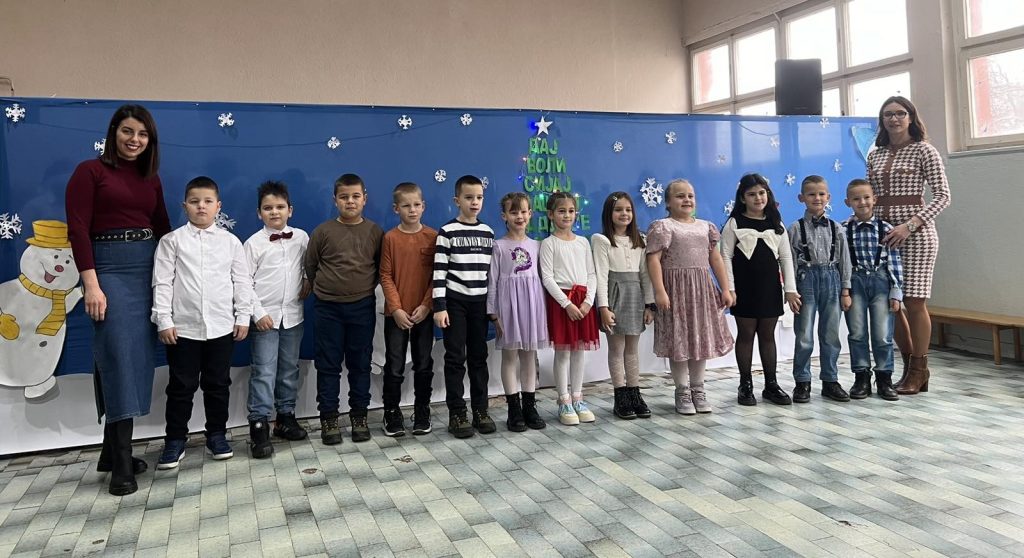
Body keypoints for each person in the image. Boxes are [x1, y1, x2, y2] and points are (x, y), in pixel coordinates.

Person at [65, 104, 171, 496]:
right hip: (107, 269)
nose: (134, 140)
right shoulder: (89, 172)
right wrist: (91, 285)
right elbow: (78, 229)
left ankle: (110, 452)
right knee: (119, 357)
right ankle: (122, 463)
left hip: (147, 269)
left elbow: (163, 228)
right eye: (128, 131)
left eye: (142, 134)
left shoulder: (151, 178)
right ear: (113, 132)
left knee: (134, 359)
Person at [153, 177, 253, 469]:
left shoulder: (230, 242)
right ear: (184, 205)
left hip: (221, 326)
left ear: (218, 206)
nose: (201, 207)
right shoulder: (171, 241)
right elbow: (162, 282)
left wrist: (243, 315)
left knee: (218, 384)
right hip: (183, 328)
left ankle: (217, 435)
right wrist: (163, 319)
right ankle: (175, 440)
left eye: (208, 202)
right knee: (181, 386)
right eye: (194, 202)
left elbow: (241, 281)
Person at [867, 96, 951, 395]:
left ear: (911, 117)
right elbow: (869, 195)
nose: (894, 119)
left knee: (914, 301)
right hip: (883, 237)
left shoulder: (924, 150)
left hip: (917, 236)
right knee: (891, 303)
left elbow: (943, 196)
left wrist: (910, 225)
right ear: (882, 120)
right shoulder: (875, 154)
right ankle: (906, 367)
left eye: (900, 113)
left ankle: (920, 369)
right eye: (888, 114)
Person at [305, 173, 383, 445]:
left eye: (355, 196)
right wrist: (327, 290)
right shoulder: (323, 232)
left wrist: (360, 290)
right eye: (344, 197)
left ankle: (359, 417)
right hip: (327, 309)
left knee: (360, 364)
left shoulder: (375, 232)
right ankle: (329, 419)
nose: (350, 201)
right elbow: (311, 266)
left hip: (362, 307)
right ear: (335, 200)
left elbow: (379, 268)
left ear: (365, 199)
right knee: (328, 366)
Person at [646, 180, 734, 415]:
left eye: (690, 196)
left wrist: (725, 288)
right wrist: (659, 291)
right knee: (679, 341)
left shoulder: (706, 227)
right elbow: (653, 260)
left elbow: (715, 259)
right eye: (680, 196)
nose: (686, 200)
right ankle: (682, 390)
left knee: (699, 340)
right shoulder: (663, 227)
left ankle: (698, 388)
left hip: (701, 291)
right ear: (668, 202)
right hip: (675, 292)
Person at [242, 181, 310, 459]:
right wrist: (257, 313)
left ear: (290, 210)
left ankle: (285, 417)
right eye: (268, 208)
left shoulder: (302, 237)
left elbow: (308, 265)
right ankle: (259, 424)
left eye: (280, 207)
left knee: (289, 369)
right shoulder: (253, 244)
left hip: (293, 315)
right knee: (264, 371)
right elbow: (243, 283)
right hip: (265, 318)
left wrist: (307, 279)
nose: (274, 212)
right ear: (259, 213)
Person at [721, 173, 799, 407]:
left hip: (770, 287)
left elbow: (786, 257)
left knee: (767, 335)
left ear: (768, 194)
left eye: (762, 193)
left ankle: (771, 384)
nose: (758, 198)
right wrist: (730, 288)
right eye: (752, 194)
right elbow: (725, 256)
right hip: (744, 288)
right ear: (742, 198)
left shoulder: (777, 224)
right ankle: (745, 384)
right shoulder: (734, 223)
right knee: (746, 334)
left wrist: (790, 289)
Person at [433, 175, 495, 438]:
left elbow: (491, 274)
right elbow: (439, 272)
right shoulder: (447, 232)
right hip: (455, 302)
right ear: (457, 200)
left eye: (479, 197)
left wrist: (492, 307)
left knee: (479, 358)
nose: (474, 202)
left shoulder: (488, 232)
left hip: (480, 304)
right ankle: (457, 413)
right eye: (469, 197)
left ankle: (481, 410)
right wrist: (440, 306)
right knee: (455, 358)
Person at [788, 175, 853, 403]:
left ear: (829, 197)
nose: (817, 198)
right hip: (806, 280)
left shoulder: (837, 228)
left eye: (821, 194)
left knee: (831, 334)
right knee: (804, 334)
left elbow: (845, 261)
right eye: (811, 194)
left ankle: (830, 380)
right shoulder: (795, 228)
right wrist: (790, 290)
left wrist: (846, 290)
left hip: (832, 280)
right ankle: (802, 381)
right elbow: (789, 261)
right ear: (801, 198)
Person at [487, 192, 548, 432]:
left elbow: (541, 279)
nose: (519, 216)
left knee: (529, 356)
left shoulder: (537, 245)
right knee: (510, 357)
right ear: (504, 216)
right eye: (513, 212)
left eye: (523, 211)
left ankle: (529, 406)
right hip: (508, 308)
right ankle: (514, 409)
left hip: (532, 306)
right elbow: (493, 281)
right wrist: (493, 312)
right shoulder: (499, 246)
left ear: (530, 214)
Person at [379, 182, 437, 437]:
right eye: (406, 205)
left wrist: (426, 305)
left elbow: (437, 276)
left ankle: (422, 411)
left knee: (424, 364)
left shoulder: (433, 237)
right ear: (396, 209)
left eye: (416, 205)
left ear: (423, 206)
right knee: (394, 364)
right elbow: (385, 275)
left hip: (424, 313)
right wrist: (396, 308)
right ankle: (391, 412)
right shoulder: (390, 238)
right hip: (396, 315)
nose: (412, 210)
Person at [592, 192, 654, 420]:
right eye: (618, 210)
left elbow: (645, 274)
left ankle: (635, 393)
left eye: (628, 210)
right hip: (615, 295)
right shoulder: (601, 240)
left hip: (635, 295)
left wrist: (649, 305)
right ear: (609, 213)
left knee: (632, 349)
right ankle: (620, 396)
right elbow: (601, 275)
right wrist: (603, 307)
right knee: (617, 348)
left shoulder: (640, 240)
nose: (624, 214)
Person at [540, 192, 599, 425]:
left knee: (579, 352)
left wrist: (588, 302)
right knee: (563, 352)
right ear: (551, 214)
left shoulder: (583, 242)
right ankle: (563, 400)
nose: (567, 215)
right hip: (562, 302)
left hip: (583, 301)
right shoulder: (549, 243)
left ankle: (578, 397)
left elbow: (591, 274)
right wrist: (567, 304)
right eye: (561, 211)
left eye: (571, 211)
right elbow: (547, 277)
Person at [843, 179, 903, 401]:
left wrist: (896, 290)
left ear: (874, 199)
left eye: (866, 197)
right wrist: (844, 290)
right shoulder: (843, 229)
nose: (862, 202)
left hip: (880, 283)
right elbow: (842, 263)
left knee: (882, 334)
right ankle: (861, 377)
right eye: (856, 199)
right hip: (855, 282)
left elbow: (894, 261)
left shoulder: (886, 228)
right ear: (848, 202)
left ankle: (884, 377)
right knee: (857, 333)